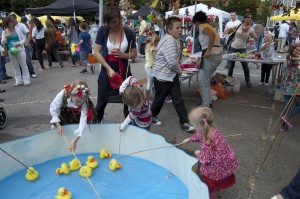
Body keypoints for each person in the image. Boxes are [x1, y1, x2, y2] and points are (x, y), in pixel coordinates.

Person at [182, 106, 238, 199]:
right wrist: (189, 139)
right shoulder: (211, 129)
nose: (193, 127)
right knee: (221, 176)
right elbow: (199, 134)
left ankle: (209, 195)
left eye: (193, 125)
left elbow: (205, 159)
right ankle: (217, 185)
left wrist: (198, 153)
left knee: (208, 185)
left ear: (200, 126)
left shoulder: (207, 140)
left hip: (216, 167)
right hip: (225, 161)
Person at [151, 16, 194, 132]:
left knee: (177, 99)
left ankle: (184, 122)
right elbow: (172, 63)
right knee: (159, 100)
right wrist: (179, 71)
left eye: (181, 27)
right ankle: (152, 116)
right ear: (169, 30)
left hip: (170, 75)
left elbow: (173, 61)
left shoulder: (171, 39)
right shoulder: (169, 41)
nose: (180, 30)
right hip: (162, 77)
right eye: (177, 28)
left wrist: (177, 70)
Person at [94, 6, 137, 122]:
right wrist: (108, 68)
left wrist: (123, 55)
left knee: (127, 101)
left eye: (114, 22)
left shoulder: (128, 32)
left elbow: (134, 53)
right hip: (107, 69)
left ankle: (129, 127)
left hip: (124, 70)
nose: (112, 25)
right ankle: (95, 126)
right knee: (101, 102)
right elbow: (96, 52)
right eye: (109, 23)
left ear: (119, 18)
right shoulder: (103, 30)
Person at [50, 80, 98, 152]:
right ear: (71, 95)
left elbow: (83, 122)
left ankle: (90, 145)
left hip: (78, 113)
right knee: (57, 127)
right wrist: (57, 124)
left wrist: (75, 140)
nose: (79, 104)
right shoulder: (62, 95)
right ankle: (55, 147)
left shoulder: (84, 103)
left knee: (87, 126)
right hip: (66, 111)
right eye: (77, 101)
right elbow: (53, 109)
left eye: (82, 102)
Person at [192, 11, 222, 107]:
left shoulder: (202, 26)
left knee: (202, 81)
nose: (195, 27)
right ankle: (207, 101)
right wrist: (202, 59)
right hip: (216, 55)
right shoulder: (209, 26)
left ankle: (206, 105)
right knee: (205, 80)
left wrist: (208, 51)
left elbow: (211, 36)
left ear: (197, 22)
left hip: (212, 54)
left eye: (194, 24)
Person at [227, 14, 257, 87]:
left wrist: (254, 36)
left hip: (242, 48)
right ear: (244, 19)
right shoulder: (238, 25)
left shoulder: (251, 29)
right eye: (248, 17)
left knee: (245, 65)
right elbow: (228, 32)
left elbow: (256, 38)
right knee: (231, 65)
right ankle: (228, 80)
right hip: (233, 47)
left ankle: (248, 81)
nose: (249, 19)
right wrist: (230, 29)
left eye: (250, 18)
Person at [1, 16, 30, 86]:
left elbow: (24, 39)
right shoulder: (4, 32)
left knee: (23, 65)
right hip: (11, 51)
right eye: (10, 21)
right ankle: (18, 80)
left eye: (12, 21)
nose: (12, 22)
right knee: (15, 66)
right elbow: (2, 42)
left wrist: (19, 43)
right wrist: (6, 36)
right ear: (6, 23)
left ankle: (26, 80)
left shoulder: (17, 30)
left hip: (20, 50)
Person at [280, 43, 300, 132]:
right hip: (295, 87)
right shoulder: (298, 62)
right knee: (299, 104)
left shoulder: (287, 58)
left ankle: (284, 125)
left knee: (287, 105)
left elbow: (283, 73)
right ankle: (287, 118)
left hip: (286, 86)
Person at [144, 34, 160, 101]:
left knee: (150, 82)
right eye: (158, 41)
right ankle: (146, 98)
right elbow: (157, 57)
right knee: (151, 83)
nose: (158, 43)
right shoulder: (153, 47)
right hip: (151, 67)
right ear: (155, 40)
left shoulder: (148, 45)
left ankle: (148, 97)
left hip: (148, 66)